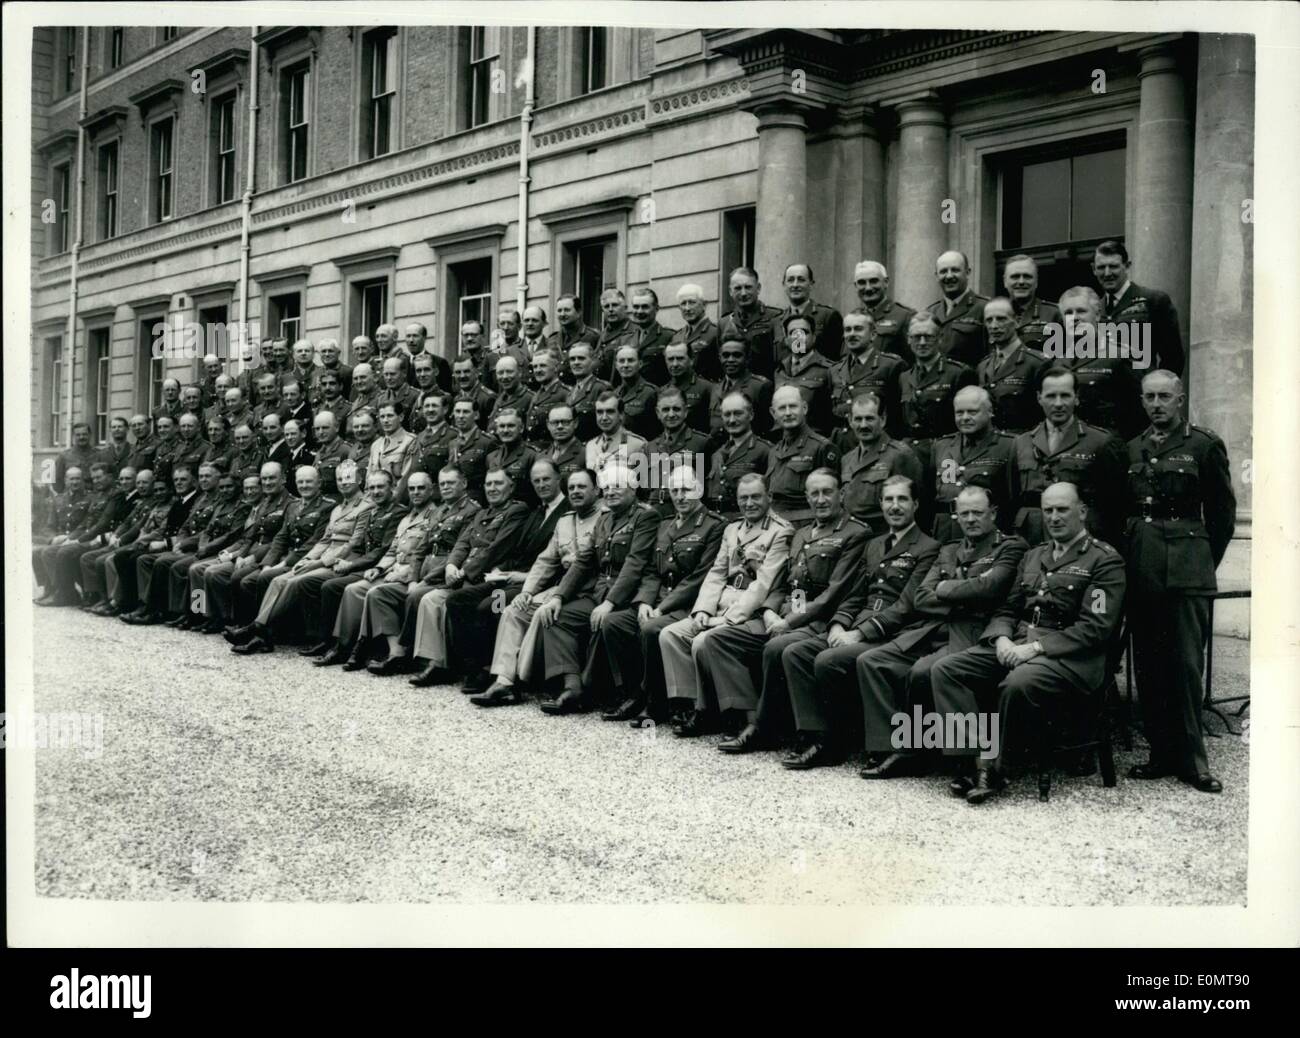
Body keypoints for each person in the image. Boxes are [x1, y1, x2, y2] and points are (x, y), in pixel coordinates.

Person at [930, 482, 1126, 803]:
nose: (1054, 517)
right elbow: (1008, 607)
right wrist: (1003, 637)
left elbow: (1095, 629)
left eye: (1062, 509)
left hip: (1071, 658)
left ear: (1082, 511)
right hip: (1019, 643)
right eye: (1048, 510)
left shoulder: (1103, 560)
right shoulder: (1034, 555)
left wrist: (1033, 649)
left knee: (1017, 683)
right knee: (947, 669)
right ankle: (975, 760)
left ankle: (996, 770)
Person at [857, 485, 1028, 778]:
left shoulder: (1011, 546)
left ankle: (962, 759)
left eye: (978, 512)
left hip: (974, 632)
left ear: (994, 513)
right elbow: (921, 597)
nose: (971, 519)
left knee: (925, 671)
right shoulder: (949, 549)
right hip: (934, 629)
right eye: (964, 514)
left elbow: (992, 589)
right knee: (873, 661)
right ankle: (899, 747)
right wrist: (965, 593)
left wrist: (945, 588)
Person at [703, 468, 870, 755]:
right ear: (805, 496)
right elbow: (788, 583)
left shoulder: (855, 533)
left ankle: (782, 731)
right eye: (814, 493)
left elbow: (833, 593)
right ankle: (750, 719)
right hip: (788, 614)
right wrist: (770, 611)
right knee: (719, 640)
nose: (820, 499)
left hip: (820, 620)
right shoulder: (803, 532)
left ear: (841, 494)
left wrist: (789, 621)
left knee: (778, 647)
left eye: (826, 492)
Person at [1123, 370, 1236, 794]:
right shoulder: (1133, 447)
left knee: (1186, 665)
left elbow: (1222, 515)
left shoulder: (1203, 445)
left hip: (1187, 568)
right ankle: (1160, 753)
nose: (1157, 404)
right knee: (1149, 665)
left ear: (1180, 399)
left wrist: (1202, 562)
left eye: (1165, 396)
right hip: (1143, 567)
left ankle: (1193, 761)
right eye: (1150, 396)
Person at [780, 476, 940, 769]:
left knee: (829, 659)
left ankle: (835, 742)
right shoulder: (874, 544)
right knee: (795, 652)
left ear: (916, 504)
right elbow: (855, 593)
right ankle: (815, 733)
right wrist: (840, 624)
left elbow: (906, 606)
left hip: (893, 631)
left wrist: (859, 633)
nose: (894, 506)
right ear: (880, 504)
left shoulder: (927, 546)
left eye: (902, 499)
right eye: (888, 500)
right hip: (854, 622)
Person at [658, 473, 794, 736]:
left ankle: (712, 711)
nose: (749, 503)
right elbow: (717, 573)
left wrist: (729, 618)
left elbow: (764, 584)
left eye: (756, 497)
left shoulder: (781, 531)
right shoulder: (733, 530)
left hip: (751, 611)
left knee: (702, 641)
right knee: (671, 634)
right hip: (720, 605)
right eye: (743, 498)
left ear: (769, 497)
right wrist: (702, 610)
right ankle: (692, 706)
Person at [525, 461, 659, 715]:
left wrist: (610, 603)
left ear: (633, 489)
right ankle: (572, 686)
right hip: (600, 592)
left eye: (618, 486)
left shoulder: (645, 516)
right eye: (606, 487)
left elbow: (635, 563)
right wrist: (558, 596)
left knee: (605, 621)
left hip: (628, 595)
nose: (610, 492)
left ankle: (608, 691)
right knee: (555, 616)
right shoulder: (605, 518)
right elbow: (585, 560)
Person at [597, 465, 727, 724]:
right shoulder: (665, 524)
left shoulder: (714, 525)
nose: (680, 496)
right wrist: (645, 601)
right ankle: (633, 692)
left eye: (687, 489)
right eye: (675, 490)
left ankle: (655, 701)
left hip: (687, 603)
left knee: (651, 629)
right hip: (656, 600)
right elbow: (651, 569)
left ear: (699, 489)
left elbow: (698, 577)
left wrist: (662, 607)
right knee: (613, 622)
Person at [432, 458, 573, 692]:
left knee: (490, 606)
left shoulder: (567, 512)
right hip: (511, 577)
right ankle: (473, 666)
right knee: (458, 599)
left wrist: (523, 576)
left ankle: (491, 670)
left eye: (546, 479)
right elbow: (516, 549)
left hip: (538, 582)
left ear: (559, 479)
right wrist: (502, 571)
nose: (541, 485)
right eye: (536, 481)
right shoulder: (537, 512)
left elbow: (559, 560)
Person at [468, 468, 605, 706]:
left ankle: (523, 678)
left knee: (543, 614)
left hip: (589, 591)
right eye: (571, 487)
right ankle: (504, 681)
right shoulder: (565, 522)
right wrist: (527, 592)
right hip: (561, 588)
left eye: (582, 487)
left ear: (596, 490)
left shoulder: (605, 518)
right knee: (513, 610)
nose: (575, 492)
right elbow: (546, 561)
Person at [228, 460, 375, 653]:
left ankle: (258, 630)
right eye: (340, 479)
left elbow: (352, 543)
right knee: (276, 581)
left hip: (342, 559)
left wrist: (315, 562)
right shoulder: (338, 508)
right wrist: (307, 560)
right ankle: (206, 615)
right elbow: (324, 540)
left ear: (359, 480)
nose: (343, 482)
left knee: (289, 581)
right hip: (310, 555)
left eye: (348, 478)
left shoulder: (362, 506)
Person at [402, 468, 532, 680]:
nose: (492, 488)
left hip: (494, 581)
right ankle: (439, 663)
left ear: (512, 487)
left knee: (487, 607)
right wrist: (452, 565)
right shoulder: (482, 513)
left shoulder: (516, 511)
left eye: (498, 483)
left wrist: (463, 572)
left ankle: (479, 667)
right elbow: (463, 542)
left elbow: (496, 549)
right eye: (488, 484)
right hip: (467, 577)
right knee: (431, 599)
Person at [322, 471, 442, 670]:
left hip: (414, 574)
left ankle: (363, 647)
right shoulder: (409, 517)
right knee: (355, 589)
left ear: (432, 490)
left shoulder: (434, 516)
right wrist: (379, 568)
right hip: (392, 569)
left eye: (421, 488)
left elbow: (423, 554)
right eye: (412, 488)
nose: (415, 492)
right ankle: (347, 644)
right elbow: (393, 549)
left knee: (372, 592)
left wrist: (404, 574)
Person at [1011, 367, 1127, 547]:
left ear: (1077, 397)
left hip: (1081, 538)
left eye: (1065, 395)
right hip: (1031, 537)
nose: (1058, 403)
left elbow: (1114, 503)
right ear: (1039, 398)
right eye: (1050, 396)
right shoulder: (1021, 443)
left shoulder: (1100, 442)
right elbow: (1012, 496)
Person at [300, 470, 408, 658]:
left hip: (379, 567)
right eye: (372, 487)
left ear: (392, 487)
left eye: (380, 486)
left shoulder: (398, 512)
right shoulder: (372, 510)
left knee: (334, 586)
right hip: (365, 565)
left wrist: (350, 565)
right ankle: (329, 642)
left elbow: (382, 550)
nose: (376, 491)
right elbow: (358, 542)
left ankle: (342, 645)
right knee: (326, 584)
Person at [223, 465, 336, 631]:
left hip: (303, 560)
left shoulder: (328, 507)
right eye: (300, 482)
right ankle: (249, 625)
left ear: (319, 483)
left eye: (309, 482)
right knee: (249, 580)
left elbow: (315, 541)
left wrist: (283, 563)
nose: (304, 485)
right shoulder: (293, 506)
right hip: (283, 557)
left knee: (263, 578)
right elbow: (281, 537)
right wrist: (268, 562)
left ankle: (265, 631)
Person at [193, 462, 293, 633]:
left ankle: (229, 619)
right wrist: (233, 553)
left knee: (213, 572)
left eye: (271, 478)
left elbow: (279, 540)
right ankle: (200, 613)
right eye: (265, 479)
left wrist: (239, 555)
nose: (267, 483)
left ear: (283, 479)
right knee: (196, 569)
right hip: (233, 551)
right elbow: (249, 535)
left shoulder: (289, 504)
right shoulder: (263, 504)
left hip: (265, 555)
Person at [1055, 286, 1146, 441]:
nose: (1074, 317)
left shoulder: (1121, 355)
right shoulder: (1057, 361)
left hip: (1109, 446)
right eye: (1068, 313)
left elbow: (1140, 410)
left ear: (1097, 315)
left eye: (1081, 311)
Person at [929, 386, 1017, 543]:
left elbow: (1013, 498)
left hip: (988, 534)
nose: (965, 417)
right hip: (946, 532)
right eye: (959, 412)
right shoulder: (941, 446)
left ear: (990, 412)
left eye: (972, 412)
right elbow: (929, 496)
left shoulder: (1009, 446)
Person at [898, 312, 977, 469]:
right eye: (916, 337)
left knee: (947, 491)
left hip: (948, 456)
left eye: (929, 336)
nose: (922, 342)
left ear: (940, 338)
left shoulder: (959, 373)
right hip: (912, 457)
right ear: (908, 339)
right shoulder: (904, 377)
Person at [1093, 239, 1184, 375]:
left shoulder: (1153, 301)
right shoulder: (1094, 309)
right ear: (1093, 269)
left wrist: (1157, 389)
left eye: (1113, 266)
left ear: (1127, 266)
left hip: (1139, 392)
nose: (1107, 273)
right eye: (1101, 267)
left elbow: (1173, 357)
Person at [839, 392, 924, 533]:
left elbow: (917, 507)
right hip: (852, 539)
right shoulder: (847, 459)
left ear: (882, 420)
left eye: (870, 419)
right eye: (858, 419)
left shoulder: (900, 455)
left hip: (883, 539)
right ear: (850, 421)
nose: (863, 425)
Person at [829, 309, 907, 446]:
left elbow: (899, 417)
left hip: (878, 447)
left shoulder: (891, 366)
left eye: (858, 329)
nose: (851, 334)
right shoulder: (835, 370)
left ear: (873, 334)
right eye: (848, 330)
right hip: (842, 447)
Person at [764, 386, 839, 526]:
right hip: (774, 525)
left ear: (804, 408)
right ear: (773, 413)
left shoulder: (821, 447)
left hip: (805, 526)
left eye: (793, 406)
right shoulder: (773, 451)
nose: (788, 413)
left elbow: (832, 498)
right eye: (782, 408)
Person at [976, 297, 1050, 435]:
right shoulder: (983, 366)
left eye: (1001, 319)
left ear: (1017, 321)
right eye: (989, 320)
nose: (994, 326)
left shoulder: (1037, 363)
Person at [642, 387, 712, 519]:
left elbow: (707, 487)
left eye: (676, 409)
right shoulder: (650, 447)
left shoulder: (701, 443)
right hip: (655, 516)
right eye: (665, 409)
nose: (671, 414)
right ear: (657, 413)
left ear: (686, 411)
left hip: (686, 514)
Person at [718, 266, 784, 382]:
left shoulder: (776, 317)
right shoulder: (724, 323)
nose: (743, 293)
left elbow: (783, 360)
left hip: (767, 388)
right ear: (730, 292)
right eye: (737, 288)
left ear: (758, 288)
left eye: (748, 287)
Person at [773, 313, 835, 436]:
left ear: (814, 337)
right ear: (786, 339)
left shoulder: (829, 370)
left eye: (804, 332)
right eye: (793, 333)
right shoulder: (779, 371)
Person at [926, 250, 989, 368]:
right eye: (943, 271)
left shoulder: (985, 308)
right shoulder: (930, 312)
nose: (949, 276)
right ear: (936, 276)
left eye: (955, 270)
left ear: (968, 272)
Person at [708, 338, 773, 444]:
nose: (730, 360)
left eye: (737, 355)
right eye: (726, 355)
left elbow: (767, 429)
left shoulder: (760, 387)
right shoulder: (715, 388)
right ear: (719, 358)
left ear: (747, 358)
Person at [853, 260, 918, 364]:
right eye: (862, 283)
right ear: (855, 286)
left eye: (874, 281)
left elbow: (915, 361)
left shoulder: (906, 316)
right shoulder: (853, 318)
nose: (868, 288)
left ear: (886, 282)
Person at [777, 263, 844, 364]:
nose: (795, 285)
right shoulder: (776, 321)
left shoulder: (828, 316)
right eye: (790, 280)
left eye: (801, 280)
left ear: (811, 284)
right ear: (784, 285)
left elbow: (837, 358)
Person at [1003, 254, 1063, 352]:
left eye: (1027, 276)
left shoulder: (1054, 314)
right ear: (1005, 281)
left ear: (1036, 281)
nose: (1021, 281)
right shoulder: (994, 316)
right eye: (1015, 277)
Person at [485, 410, 539, 508]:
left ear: (521, 428)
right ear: (497, 429)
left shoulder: (532, 456)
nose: (505, 430)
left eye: (510, 426)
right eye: (502, 426)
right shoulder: (491, 457)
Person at [585, 391, 648, 473]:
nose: (604, 418)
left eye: (610, 412)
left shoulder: (637, 445)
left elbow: (644, 483)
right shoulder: (591, 445)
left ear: (621, 414)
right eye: (600, 412)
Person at [669, 283, 721, 380]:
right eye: (683, 303)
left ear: (704, 305)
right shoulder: (677, 336)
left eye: (692, 302)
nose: (687, 308)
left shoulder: (716, 333)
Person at [448, 398, 496, 502]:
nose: (460, 416)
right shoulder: (453, 443)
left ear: (476, 415)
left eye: (465, 412)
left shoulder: (487, 442)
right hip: (457, 500)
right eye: (457, 411)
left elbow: (493, 476)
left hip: (479, 500)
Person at [663, 341, 715, 436]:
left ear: (691, 360)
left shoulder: (708, 388)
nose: (675, 364)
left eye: (680, 358)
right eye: (670, 359)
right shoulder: (662, 391)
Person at [627, 288, 676, 386]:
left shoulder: (669, 337)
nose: (639, 311)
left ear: (656, 309)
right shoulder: (626, 339)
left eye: (645, 307)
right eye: (636, 307)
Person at [612, 346, 661, 440]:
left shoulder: (650, 393)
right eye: (621, 361)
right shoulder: (615, 393)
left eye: (630, 360)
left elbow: (658, 431)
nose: (626, 365)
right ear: (616, 365)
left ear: (640, 363)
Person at [565, 342, 611, 442]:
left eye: (581, 358)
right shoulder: (570, 393)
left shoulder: (601, 388)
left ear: (592, 360)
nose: (576, 362)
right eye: (572, 359)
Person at [523, 351, 570, 446]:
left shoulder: (565, 393)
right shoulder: (536, 395)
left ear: (556, 367)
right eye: (535, 367)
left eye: (543, 366)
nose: (538, 370)